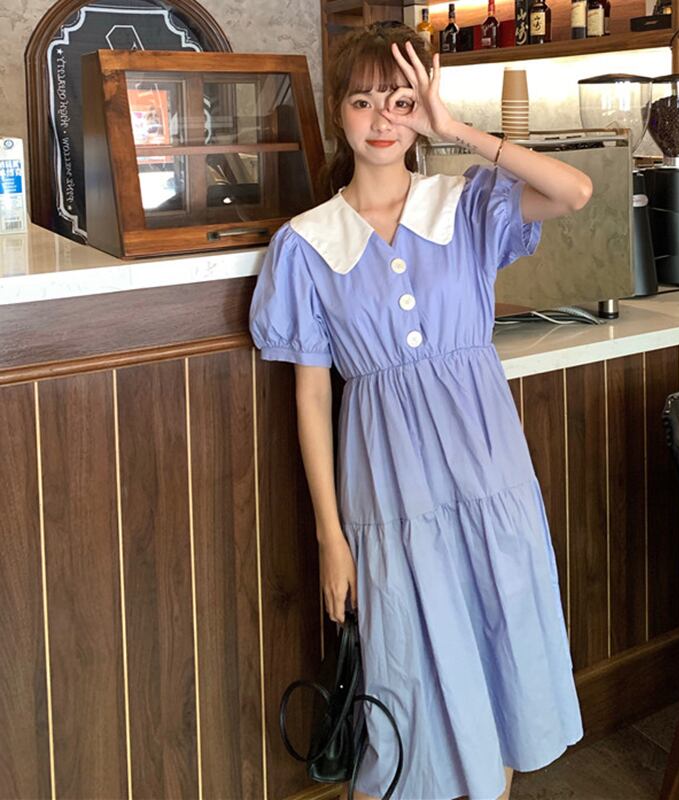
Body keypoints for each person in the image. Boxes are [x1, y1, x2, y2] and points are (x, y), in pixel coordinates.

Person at [249, 20, 591, 800]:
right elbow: (311, 396)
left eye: (400, 101)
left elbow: (575, 191)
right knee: (408, 677)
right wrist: (330, 536)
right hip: (390, 490)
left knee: (501, 660)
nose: (381, 120)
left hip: (489, 473)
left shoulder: (464, 203)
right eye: (363, 101)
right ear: (338, 112)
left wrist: (457, 128)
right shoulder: (306, 245)